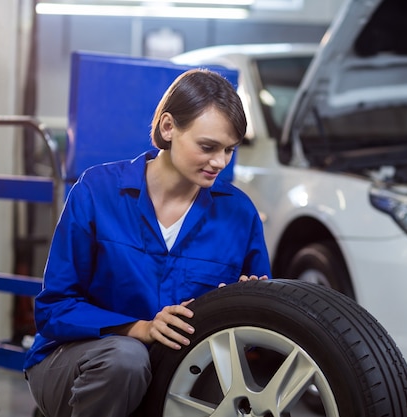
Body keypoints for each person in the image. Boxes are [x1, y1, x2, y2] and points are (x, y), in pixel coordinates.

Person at [23, 68, 270, 417]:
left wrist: (252, 305)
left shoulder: (239, 213)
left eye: (229, 150)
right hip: (80, 361)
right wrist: (140, 329)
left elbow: (257, 330)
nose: (220, 162)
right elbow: (54, 309)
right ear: (168, 128)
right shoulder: (98, 191)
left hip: (180, 369)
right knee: (127, 359)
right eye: (208, 147)